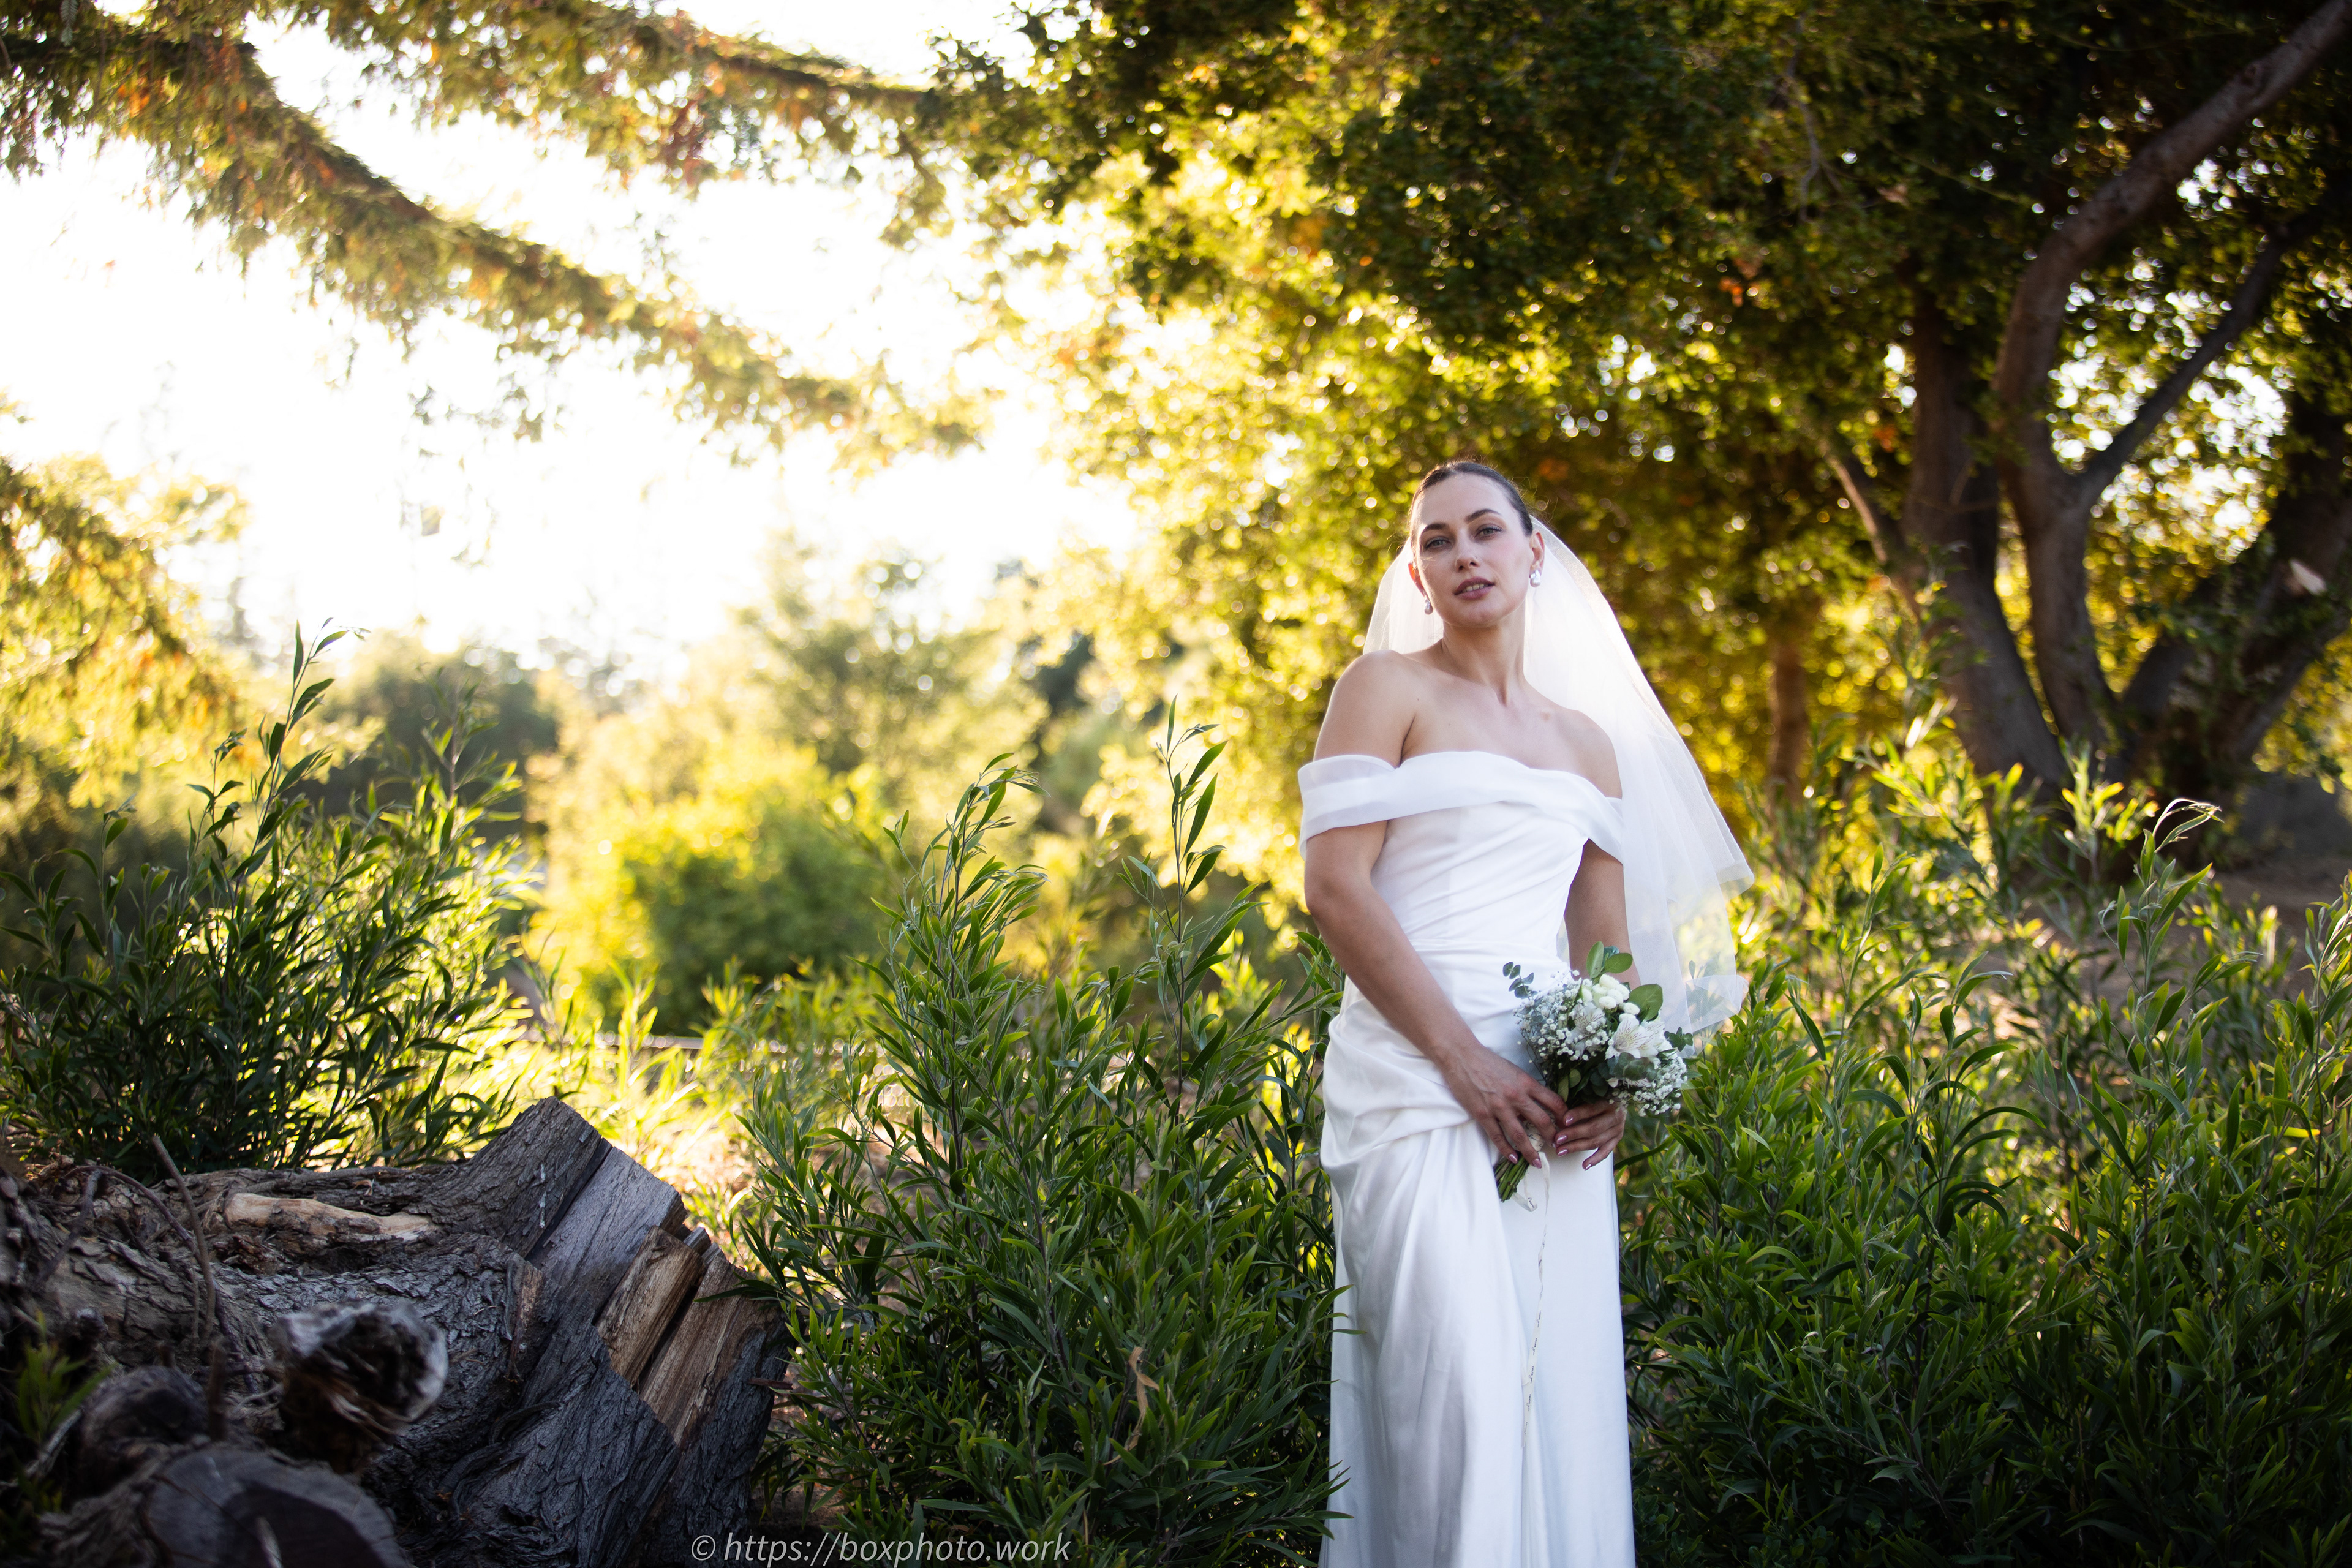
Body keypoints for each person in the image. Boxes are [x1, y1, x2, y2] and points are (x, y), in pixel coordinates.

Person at [1300, 461, 1750, 1567]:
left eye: (1485, 531)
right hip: (1416, 1078)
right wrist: (1461, 1062)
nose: (1465, 555)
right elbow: (1336, 889)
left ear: (1532, 551)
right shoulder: (1384, 688)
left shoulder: (1587, 742)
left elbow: (1604, 948)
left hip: (1546, 1095)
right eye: (1439, 541)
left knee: (1554, 1391)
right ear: (1419, 571)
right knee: (1452, 1393)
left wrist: (1615, 1088)